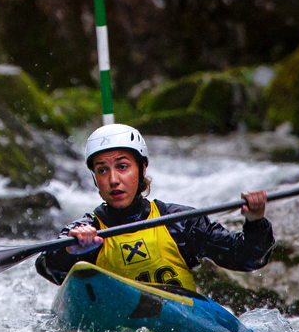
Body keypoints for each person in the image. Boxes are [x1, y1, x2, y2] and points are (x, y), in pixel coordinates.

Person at [35, 124, 273, 292]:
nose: (113, 180)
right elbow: (48, 268)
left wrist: (255, 221)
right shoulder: (87, 231)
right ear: (95, 178)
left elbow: (247, 258)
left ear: (142, 168)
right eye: (102, 170)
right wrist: (70, 250)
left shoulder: (180, 222)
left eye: (123, 166)